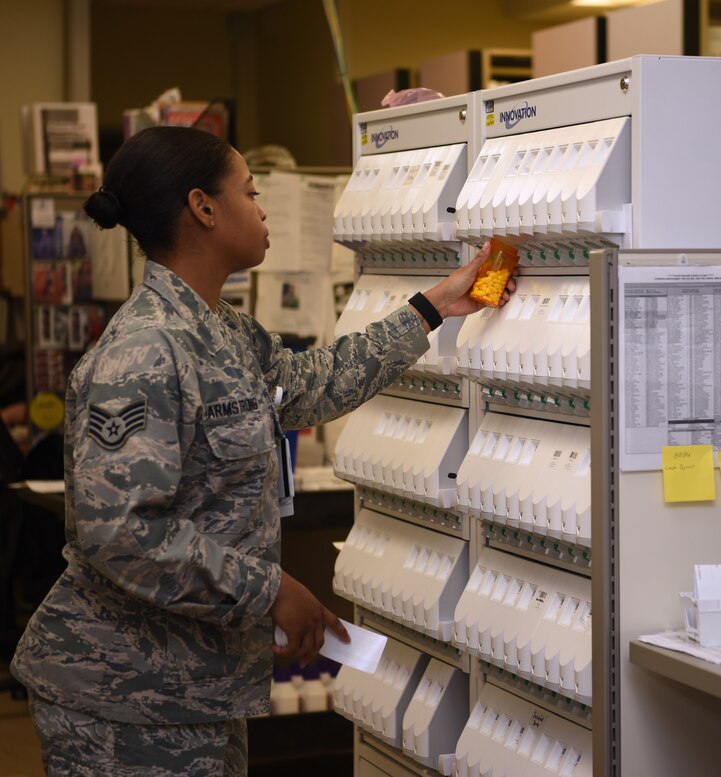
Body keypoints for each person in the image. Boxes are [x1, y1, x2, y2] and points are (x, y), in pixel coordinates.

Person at [9, 125, 513, 776]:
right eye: (250, 191)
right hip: (122, 695)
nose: (264, 207)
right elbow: (122, 534)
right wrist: (269, 589)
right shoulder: (141, 354)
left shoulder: (227, 335)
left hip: (199, 685)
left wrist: (434, 305)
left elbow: (315, 383)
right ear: (204, 208)